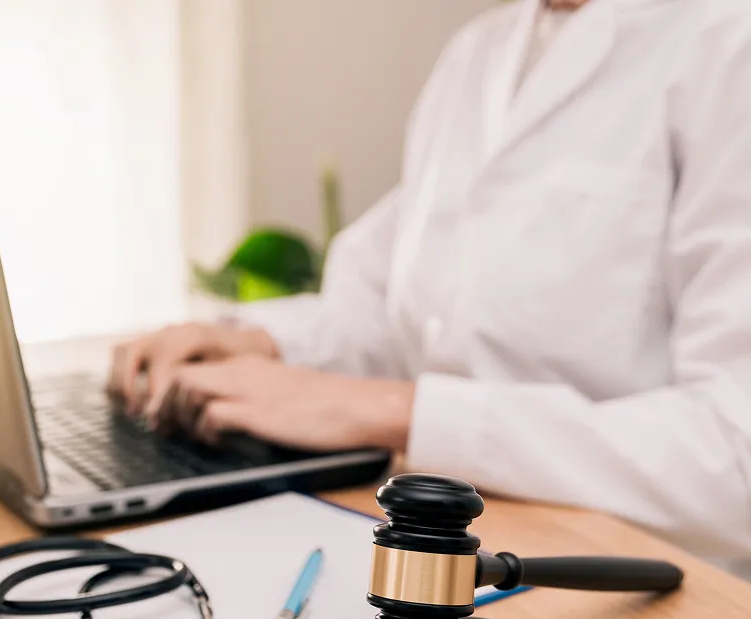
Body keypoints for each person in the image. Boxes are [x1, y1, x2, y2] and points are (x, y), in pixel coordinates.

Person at [109, 0, 751, 570]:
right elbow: (397, 310)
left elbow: (732, 459)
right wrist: (258, 343)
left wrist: (393, 411)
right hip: (463, 529)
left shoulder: (727, 43)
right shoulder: (481, 50)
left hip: (643, 572)